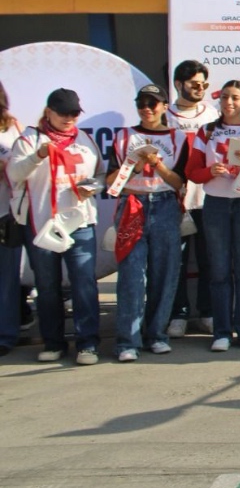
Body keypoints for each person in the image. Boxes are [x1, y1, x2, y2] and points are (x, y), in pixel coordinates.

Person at [7, 89, 106, 365]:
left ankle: (87, 343)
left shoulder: (84, 139)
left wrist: (92, 188)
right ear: (48, 111)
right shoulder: (29, 139)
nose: (69, 118)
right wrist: (37, 156)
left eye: (74, 113)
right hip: (41, 223)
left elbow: (100, 175)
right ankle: (53, 342)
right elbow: (14, 174)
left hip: (79, 222)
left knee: (84, 284)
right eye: (63, 113)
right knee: (47, 286)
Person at [109, 84, 189, 361]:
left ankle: (156, 334)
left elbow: (180, 182)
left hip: (165, 205)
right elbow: (110, 183)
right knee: (131, 275)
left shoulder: (178, 138)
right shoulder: (122, 137)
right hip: (133, 205)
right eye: (141, 103)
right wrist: (131, 164)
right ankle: (126, 341)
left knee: (164, 274)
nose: (147, 108)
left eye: (153, 103)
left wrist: (158, 165)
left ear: (165, 107)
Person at [187, 80, 240, 352]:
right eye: (225, 98)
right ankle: (221, 331)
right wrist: (211, 172)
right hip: (216, 204)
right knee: (218, 270)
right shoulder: (206, 131)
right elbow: (192, 172)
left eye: (236, 98)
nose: (229, 103)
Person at [166, 60, 220, 339]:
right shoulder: (165, 116)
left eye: (204, 84)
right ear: (178, 84)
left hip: (208, 196)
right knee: (177, 260)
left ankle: (207, 311)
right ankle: (178, 313)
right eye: (194, 84)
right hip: (176, 200)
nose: (200, 89)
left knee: (208, 258)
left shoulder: (212, 113)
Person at [0, 82, 23, 357]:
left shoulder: (11, 127)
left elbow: (20, 167)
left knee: (7, 279)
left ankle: (6, 335)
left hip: (6, 212)